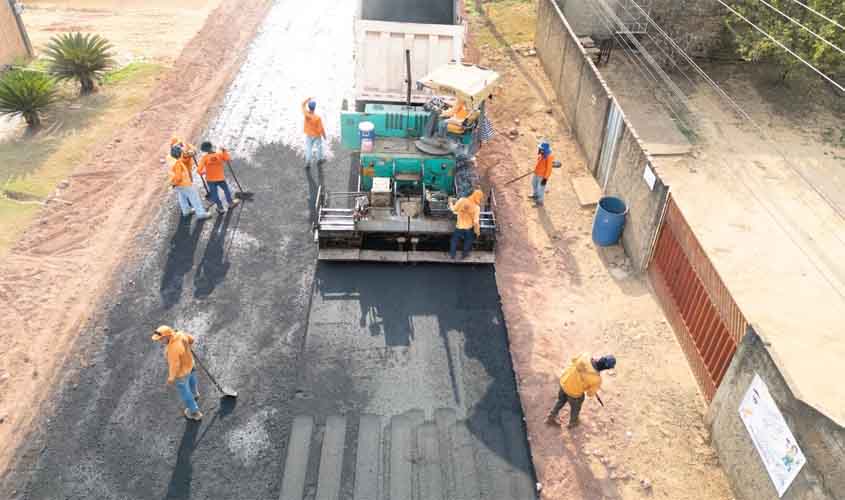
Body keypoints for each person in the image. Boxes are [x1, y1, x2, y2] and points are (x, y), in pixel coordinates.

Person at [546, 353, 616, 428]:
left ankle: (551, 417)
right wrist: (591, 387)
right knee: (575, 408)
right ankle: (573, 422)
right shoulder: (597, 379)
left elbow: (573, 360)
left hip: (564, 383)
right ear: (605, 368)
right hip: (574, 394)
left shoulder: (585, 356)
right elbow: (590, 394)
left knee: (561, 401)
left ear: (600, 358)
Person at [151, 325, 203, 421]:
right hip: (191, 364)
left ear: (167, 336)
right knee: (192, 380)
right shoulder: (181, 334)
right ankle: (195, 393)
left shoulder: (172, 350)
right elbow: (191, 339)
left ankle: (195, 412)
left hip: (182, 374)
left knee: (185, 393)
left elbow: (174, 366)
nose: (160, 341)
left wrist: (171, 378)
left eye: (161, 339)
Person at [169, 142, 210, 220]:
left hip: (177, 185)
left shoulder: (171, 159)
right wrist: (175, 183)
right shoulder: (177, 163)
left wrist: (174, 184)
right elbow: (178, 177)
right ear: (179, 154)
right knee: (194, 197)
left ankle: (186, 211)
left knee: (182, 196)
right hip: (184, 183)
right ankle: (201, 214)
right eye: (181, 152)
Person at [198, 141, 240, 214]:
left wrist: (205, 172)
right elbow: (228, 159)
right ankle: (230, 203)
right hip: (220, 178)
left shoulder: (204, 158)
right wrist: (224, 151)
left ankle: (220, 208)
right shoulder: (219, 154)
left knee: (215, 194)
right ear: (211, 146)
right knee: (226, 190)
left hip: (210, 180)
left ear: (204, 150)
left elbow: (199, 171)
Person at [449, 189, 483, 259]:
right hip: (468, 228)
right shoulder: (477, 208)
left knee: (454, 240)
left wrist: (450, 202)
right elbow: (476, 222)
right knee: (468, 241)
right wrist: (477, 232)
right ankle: (464, 255)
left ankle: (452, 255)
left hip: (459, 226)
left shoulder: (462, 200)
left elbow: (453, 209)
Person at [302, 97, 327, 168]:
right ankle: (319, 160)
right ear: (314, 108)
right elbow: (321, 128)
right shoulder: (317, 118)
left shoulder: (306, 114)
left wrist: (307, 99)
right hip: (316, 135)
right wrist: (324, 135)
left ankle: (307, 163)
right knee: (319, 147)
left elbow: (302, 105)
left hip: (309, 135)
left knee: (308, 148)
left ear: (309, 107)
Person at [530, 141, 554, 207]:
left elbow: (549, 169)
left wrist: (545, 179)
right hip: (536, 173)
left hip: (542, 176)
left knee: (541, 189)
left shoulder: (549, 157)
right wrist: (535, 170)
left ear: (545, 150)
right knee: (534, 184)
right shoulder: (542, 154)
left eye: (541, 149)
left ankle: (540, 202)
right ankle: (535, 195)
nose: (540, 150)